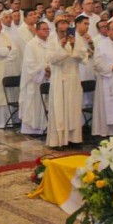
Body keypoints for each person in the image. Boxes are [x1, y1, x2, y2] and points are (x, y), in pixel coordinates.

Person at [46, 14, 88, 147]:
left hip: (73, 76)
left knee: (73, 108)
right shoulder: (52, 40)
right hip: (59, 77)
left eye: (66, 23)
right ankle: (58, 141)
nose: (64, 26)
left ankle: (73, 139)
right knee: (59, 109)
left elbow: (83, 56)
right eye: (61, 23)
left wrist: (74, 44)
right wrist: (63, 47)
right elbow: (52, 59)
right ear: (57, 25)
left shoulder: (75, 38)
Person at [19, 20, 52, 135]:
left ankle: (46, 126)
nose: (46, 31)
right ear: (37, 31)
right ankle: (34, 128)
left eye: (48, 29)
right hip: (35, 80)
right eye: (44, 29)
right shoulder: (31, 45)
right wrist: (44, 69)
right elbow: (29, 64)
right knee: (35, 105)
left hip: (49, 78)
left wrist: (50, 69)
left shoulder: (51, 43)